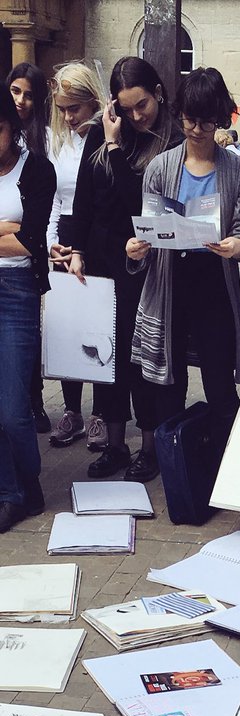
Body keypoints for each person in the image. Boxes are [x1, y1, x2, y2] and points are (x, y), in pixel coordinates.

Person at [126, 66, 240, 454]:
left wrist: (237, 247)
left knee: (219, 380)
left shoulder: (237, 168)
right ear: (179, 113)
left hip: (214, 279)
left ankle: (223, 460)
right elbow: (147, 234)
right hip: (170, 279)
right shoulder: (161, 167)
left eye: (207, 121)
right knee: (168, 378)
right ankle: (175, 463)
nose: (197, 129)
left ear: (220, 117)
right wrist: (135, 249)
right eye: (190, 120)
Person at [69, 55, 183, 480]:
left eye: (142, 105)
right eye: (126, 107)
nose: (136, 115)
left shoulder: (169, 140)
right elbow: (84, 194)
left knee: (140, 361)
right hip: (102, 257)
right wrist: (77, 248)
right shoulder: (105, 129)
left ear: (158, 93)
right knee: (107, 356)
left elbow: (141, 205)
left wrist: (115, 148)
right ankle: (115, 445)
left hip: (144, 263)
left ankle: (149, 450)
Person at [0, 83, 55, 531]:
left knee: (15, 404)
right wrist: (8, 229)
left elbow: (30, 239)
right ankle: (11, 492)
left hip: (18, 288)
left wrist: (18, 234)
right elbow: (14, 234)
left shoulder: (37, 169)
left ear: (13, 127)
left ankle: (29, 480)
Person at [45, 61, 106, 451]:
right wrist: (51, 242)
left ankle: (102, 413)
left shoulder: (104, 137)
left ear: (92, 103)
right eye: (63, 109)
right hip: (63, 235)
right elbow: (53, 199)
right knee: (68, 327)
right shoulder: (58, 141)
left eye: (75, 108)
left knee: (98, 328)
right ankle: (73, 411)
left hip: (97, 237)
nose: (68, 117)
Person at [7, 62, 51, 434]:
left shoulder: (40, 148)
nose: (21, 100)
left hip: (38, 250)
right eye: (15, 91)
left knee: (28, 337)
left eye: (29, 94)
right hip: (25, 242)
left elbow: (29, 234)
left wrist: (26, 236)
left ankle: (34, 400)